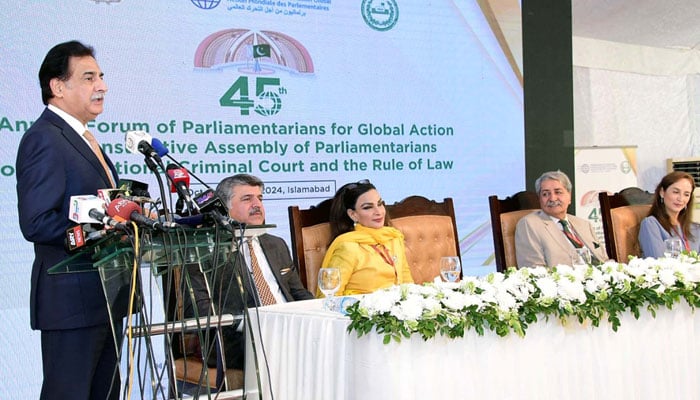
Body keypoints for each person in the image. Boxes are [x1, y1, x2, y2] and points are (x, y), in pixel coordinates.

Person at [16, 41, 124, 400]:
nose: (102, 86)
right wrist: (101, 229)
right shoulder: (44, 139)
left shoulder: (82, 137)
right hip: (72, 302)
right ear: (58, 87)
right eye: (89, 77)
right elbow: (37, 222)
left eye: (102, 77)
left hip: (106, 297)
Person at [189, 174, 314, 389]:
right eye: (247, 199)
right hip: (239, 336)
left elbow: (298, 292)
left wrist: (317, 314)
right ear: (224, 209)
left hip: (288, 328)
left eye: (260, 198)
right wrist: (245, 324)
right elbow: (199, 307)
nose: (257, 205)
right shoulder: (205, 251)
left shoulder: (275, 243)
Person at [319, 179, 413, 296]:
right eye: (368, 207)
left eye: (380, 204)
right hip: (357, 311)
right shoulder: (348, 247)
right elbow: (329, 296)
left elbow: (407, 283)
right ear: (353, 214)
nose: (378, 212)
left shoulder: (393, 237)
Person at [514, 170, 608, 268]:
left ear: (569, 196)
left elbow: (604, 259)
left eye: (558, 192)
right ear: (539, 199)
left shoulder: (584, 224)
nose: (552, 198)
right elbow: (534, 269)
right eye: (545, 194)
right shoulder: (529, 224)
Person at [638, 171, 700, 258]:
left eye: (686, 194)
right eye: (676, 192)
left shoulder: (696, 228)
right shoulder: (651, 224)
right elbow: (658, 262)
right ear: (662, 192)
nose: (681, 198)